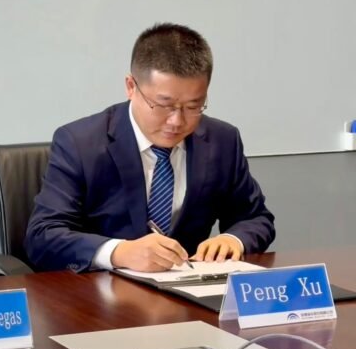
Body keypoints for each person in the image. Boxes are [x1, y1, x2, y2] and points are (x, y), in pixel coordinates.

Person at [25, 23, 275, 273]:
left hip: (189, 286)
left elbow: (255, 217)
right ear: (131, 87)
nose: (177, 121)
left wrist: (233, 240)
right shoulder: (80, 143)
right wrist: (118, 252)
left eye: (193, 106)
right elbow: (43, 236)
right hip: (101, 289)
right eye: (164, 105)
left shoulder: (222, 140)